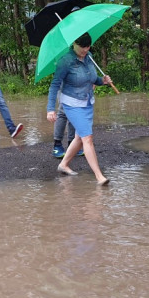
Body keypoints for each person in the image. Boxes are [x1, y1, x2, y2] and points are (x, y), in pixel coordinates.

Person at [46, 32, 114, 185]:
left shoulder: (89, 57)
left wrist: (102, 81)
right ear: (74, 44)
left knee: (79, 138)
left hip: (87, 102)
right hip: (71, 103)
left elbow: (92, 78)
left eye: (87, 46)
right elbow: (54, 85)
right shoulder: (65, 61)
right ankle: (99, 176)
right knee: (87, 138)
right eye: (82, 47)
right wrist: (51, 109)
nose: (85, 50)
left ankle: (63, 164)